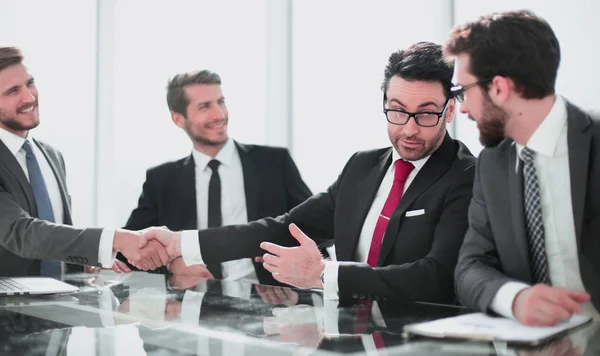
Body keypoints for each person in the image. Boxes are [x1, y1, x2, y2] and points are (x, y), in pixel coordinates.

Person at [138, 42, 476, 303]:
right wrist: (181, 242)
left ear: (449, 111)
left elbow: (437, 276)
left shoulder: (466, 175)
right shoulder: (362, 166)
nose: (410, 130)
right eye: (397, 112)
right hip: (347, 338)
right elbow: (285, 227)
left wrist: (323, 275)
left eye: (427, 114)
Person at [445, 10, 600, 326]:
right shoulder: (491, 163)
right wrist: (514, 298)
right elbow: (470, 266)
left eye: (462, 91)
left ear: (499, 88)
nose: (461, 107)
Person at [118, 69, 312, 283]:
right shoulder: (162, 180)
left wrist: (285, 252)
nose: (219, 114)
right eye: (205, 106)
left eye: (221, 102)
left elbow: (314, 227)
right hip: (193, 306)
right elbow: (129, 250)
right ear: (178, 119)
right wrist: (171, 266)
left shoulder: (274, 163)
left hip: (271, 303)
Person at [0, 46, 166, 275]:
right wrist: (113, 239)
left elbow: (55, 235)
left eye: (30, 83)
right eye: (12, 91)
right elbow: (23, 234)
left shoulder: (51, 156)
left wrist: (86, 260)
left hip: (56, 306)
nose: (29, 97)